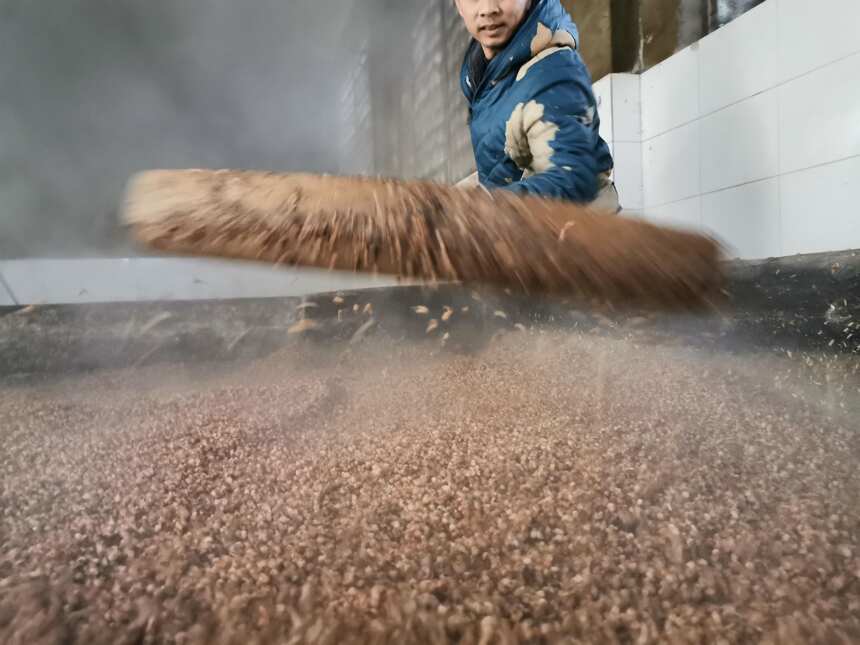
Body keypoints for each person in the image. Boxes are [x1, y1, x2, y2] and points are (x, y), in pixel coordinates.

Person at [454, 0, 619, 211]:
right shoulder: (486, 78)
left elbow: (570, 179)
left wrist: (481, 208)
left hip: (582, 232)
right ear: (458, 4)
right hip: (533, 226)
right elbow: (505, 167)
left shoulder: (552, 72)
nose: (488, 9)